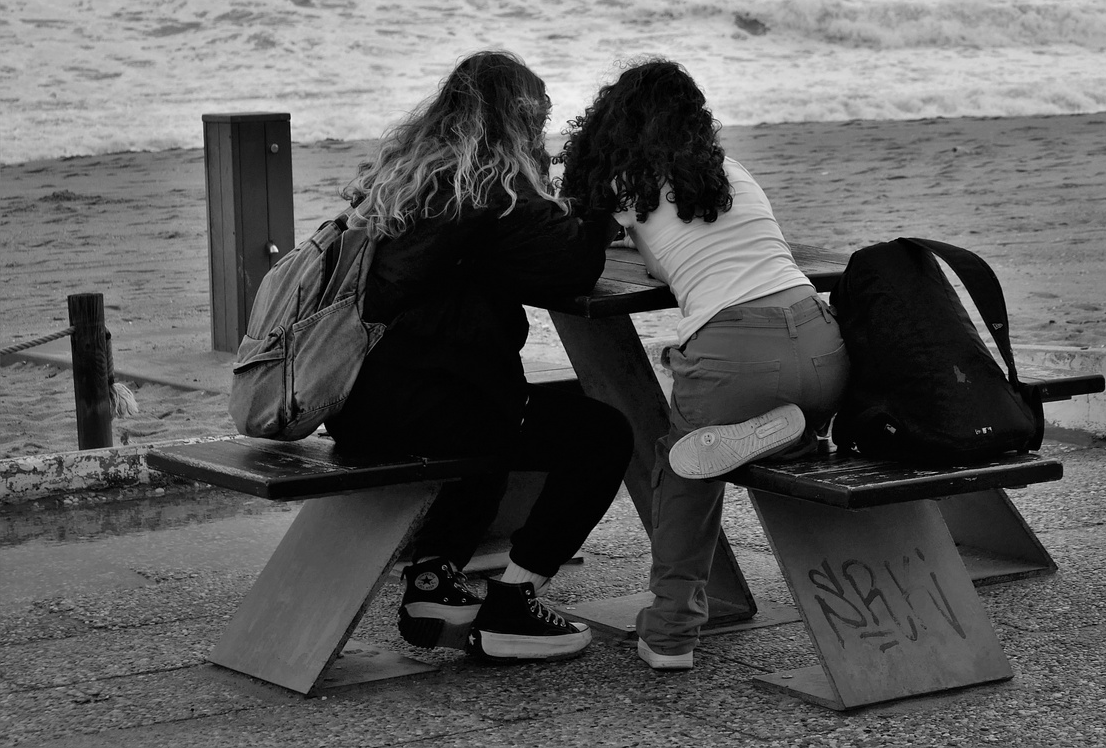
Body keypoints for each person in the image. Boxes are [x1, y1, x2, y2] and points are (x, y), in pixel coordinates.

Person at [327, 51, 632, 663]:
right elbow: (569, 265)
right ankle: (512, 605)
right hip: (432, 406)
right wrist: (597, 210)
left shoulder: (399, 176)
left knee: (500, 409)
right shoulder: (495, 185)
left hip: (354, 399)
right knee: (601, 433)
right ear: (518, 120)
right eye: (539, 122)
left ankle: (435, 580)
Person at [561, 59, 849, 671]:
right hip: (824, 345)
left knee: (684, 470)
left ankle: (670, 633)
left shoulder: (627, 183)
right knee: (730, 426)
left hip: (735, 356)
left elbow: (578, 253)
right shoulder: (731, 173)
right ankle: (791, 436)